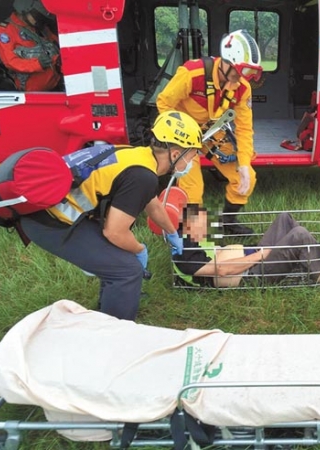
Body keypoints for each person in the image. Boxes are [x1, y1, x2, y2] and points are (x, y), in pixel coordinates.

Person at [19, 110, 204, 321]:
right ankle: (114, 333)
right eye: (192, 154)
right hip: (50, 221)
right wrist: (140, 249)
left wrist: (172, 233)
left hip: (47, 211)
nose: (192, 161)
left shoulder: (137, 156)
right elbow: (114, 232)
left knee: (119, 261)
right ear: (174, 154)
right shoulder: (142, 176)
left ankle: (111, 305)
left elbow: (152, 204)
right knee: (127, 270)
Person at [156, 29, 263, 235]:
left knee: (246, 177)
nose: (241, 79)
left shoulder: (242, 88)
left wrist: (243, 164)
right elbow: (164, 103)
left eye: (248, 74)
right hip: (184, 135)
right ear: (225, 62)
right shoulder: (192, 73)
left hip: (211, 132)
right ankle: (194, 235)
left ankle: (228, 223)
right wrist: (180, 135)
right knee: (193, 188)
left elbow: (244, 128)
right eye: (239, 72)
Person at [173, 205, 320, 287]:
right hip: (252, 275)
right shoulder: (185, 253)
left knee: (284, 217)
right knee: (299, 234)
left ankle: (319, 262)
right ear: (189, 225)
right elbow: (222, 270)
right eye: (203, 222)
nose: (209, 225)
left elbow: (216, 254)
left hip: (255, 257)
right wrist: (259, 256)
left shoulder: (192, 239)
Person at [0, 0, 61, 91]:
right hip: (31, 95)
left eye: (42, 18)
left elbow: (57, 44)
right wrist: (37, 64)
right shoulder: (5, 31)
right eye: (38, 16)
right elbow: (10, 62)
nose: (39, 21)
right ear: (24, 10)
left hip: (56, 86)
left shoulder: (40, 28)